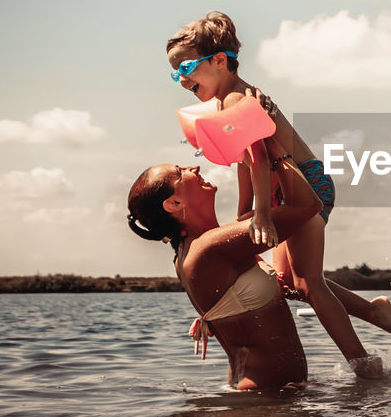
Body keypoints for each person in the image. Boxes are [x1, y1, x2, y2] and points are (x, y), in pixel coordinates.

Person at [165, 11, 391, 376]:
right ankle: (373, 311)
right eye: (174, 73)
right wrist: (244, 212)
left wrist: (263, 214)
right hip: (281, 191)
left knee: (309, 283)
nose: (180, 79)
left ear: (218, 61)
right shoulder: (222, 103)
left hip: (304, 186)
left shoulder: (237, 99)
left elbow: (261, 157)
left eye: (184, 68)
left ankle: (364, 366)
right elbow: (245, 162)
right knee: (291, 284)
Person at [127, 161, 323, 389]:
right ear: (174, 203)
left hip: (262, 396)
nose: (195, 167)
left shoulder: (188, 253)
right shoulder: (209, 247)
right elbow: (308, 205)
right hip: (262, 402)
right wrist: (277, 152)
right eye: (180, 172)